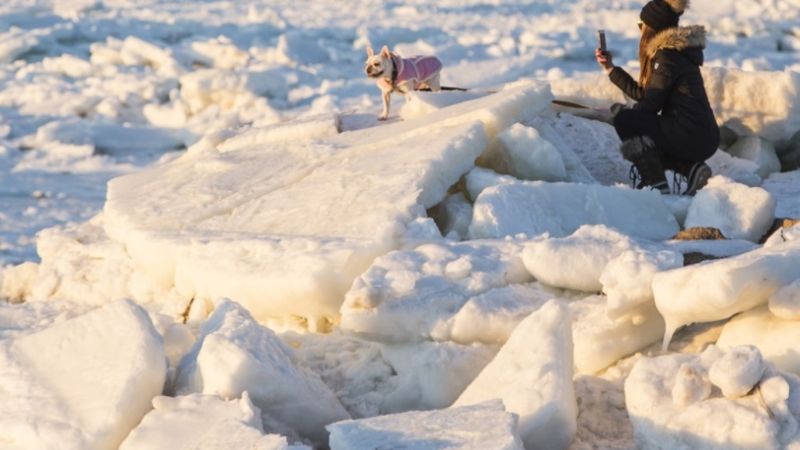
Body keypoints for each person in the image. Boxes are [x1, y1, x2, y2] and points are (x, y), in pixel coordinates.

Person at [595, 0, 719, 195]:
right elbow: (645, 95)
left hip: (692, 134)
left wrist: (624, 116)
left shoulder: (667, 58)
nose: (640, 30)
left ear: (652, 29)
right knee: (636, 125)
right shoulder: (673, 55)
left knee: (626, 122)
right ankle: (691, 169)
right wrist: (610, 68)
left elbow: (651, 105)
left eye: (641, 25)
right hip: (699, 134)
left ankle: (655, 183)